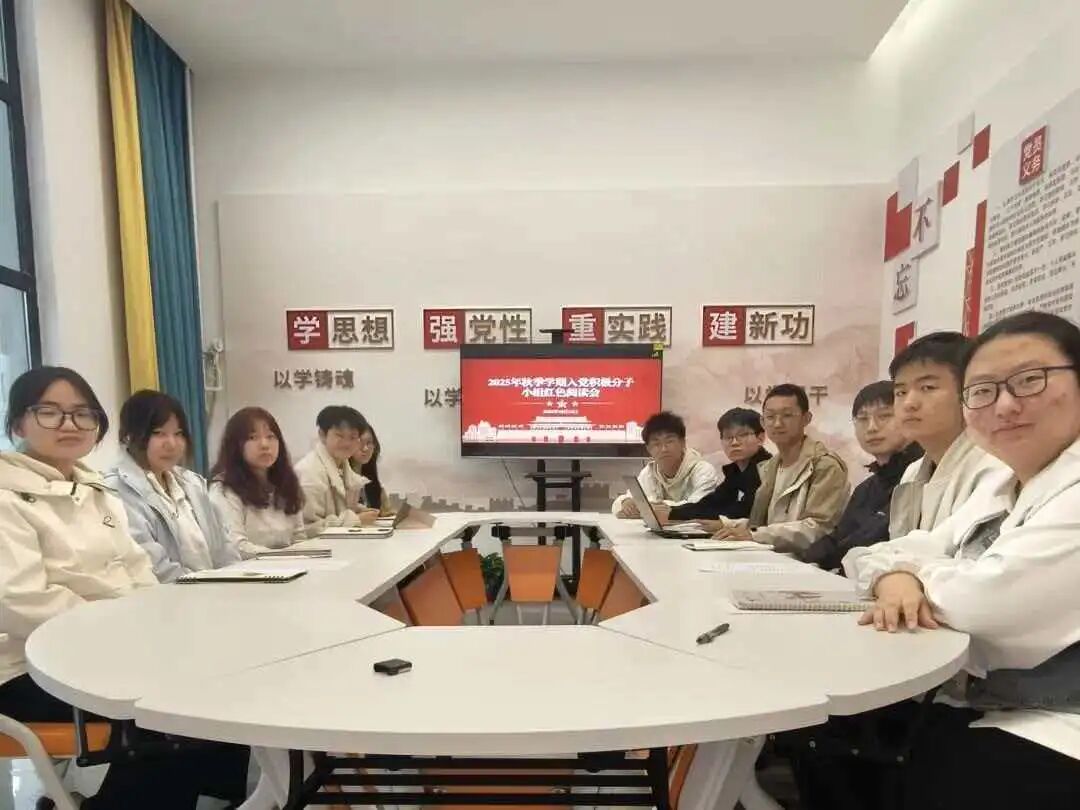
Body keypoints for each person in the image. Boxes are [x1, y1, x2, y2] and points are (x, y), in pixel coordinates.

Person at [842, 311, 1080, 809]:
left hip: (1058, 719)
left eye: (1030, 381)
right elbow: (874, 554)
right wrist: (895, 574)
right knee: (843, 734)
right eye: (985, 390)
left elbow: (985, 605)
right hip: (991, 694)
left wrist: (907, 574)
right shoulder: (1007, 481)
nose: (1006, 405)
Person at [0, 368, 247, 808]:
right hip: (29, 666)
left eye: (82, 413)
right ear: (18, 423)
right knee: (167, 715)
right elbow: (19, 600)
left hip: (109, 647)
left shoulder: (94, 489)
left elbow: (138, 570)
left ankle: (225, 796)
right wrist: (118, 632)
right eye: (50, 412)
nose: (70, 424)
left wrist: (148, 628)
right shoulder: (7, 495)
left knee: (223, 680)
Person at [106, 391, 239, 583]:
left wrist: (234, 583)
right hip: (169, 596)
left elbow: (225, 547)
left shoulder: (192, 483)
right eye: (158, 433)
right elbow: (153, 567)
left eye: (178, 434)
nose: (172, 444)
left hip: (214, 591)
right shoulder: (117, 490)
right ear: (129, 436)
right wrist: (208, 587)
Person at [886, 331, 1003, 538]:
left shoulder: (993, 467)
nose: (909, 403)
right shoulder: (913, 471)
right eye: (901, 392)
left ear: (970, 392)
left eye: (927, 388)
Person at [712, 384, 849, 555]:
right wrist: (727, 525)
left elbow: (819, 528)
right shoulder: (769, 467)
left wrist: (754, 535)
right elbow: (767, 524)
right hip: (769, 557)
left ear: (806, 418)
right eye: (770, 417)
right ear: (763, 422)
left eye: (787, 415)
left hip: (805, 563)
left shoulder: (824, 465)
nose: (777, 423)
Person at [802, 381, 923, 571]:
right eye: (863, 418)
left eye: (884, 416)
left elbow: (872, 539)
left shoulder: (922, 475)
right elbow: (838, 537)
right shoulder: (866, 488)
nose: (872, 427)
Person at [209, 407, 306, 558]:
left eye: (270, 436)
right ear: (235, 445)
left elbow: (299, 537)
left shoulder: (286, 483)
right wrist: (283, 558)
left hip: (290, 567)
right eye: (253, 438)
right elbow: (235, 547)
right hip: (249, 570)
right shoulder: (224, 490)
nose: (264, 445)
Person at [652, 407, 771, 524]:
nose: (734, 442)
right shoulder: (735, 472)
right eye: (728, 437)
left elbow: (744, 512)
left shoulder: (767, 469)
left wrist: (674, 513)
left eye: (743, 435)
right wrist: (672, 511)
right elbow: (711, 503)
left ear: (760, 438)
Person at [611, 410, 720, 518]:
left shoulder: (703, 470)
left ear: (683, 443)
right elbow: (625, 501)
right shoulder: (649, 472)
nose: (664, 449)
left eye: (669, 441)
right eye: (656, 444)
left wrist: (651, 508)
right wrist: (626, 502)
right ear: (648, 449)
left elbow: (699, 506)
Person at [296, 405, 380, 535]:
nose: (347, 443)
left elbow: (338, 509)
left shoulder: (342, 466)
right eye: (340, 436)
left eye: (352, 437)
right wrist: (355, 519)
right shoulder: (310, 472)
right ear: (322, 435)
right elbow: (307, 529)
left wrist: (360, 511)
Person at [349, 422, 395, 517]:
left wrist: (387, 513)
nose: (365, 448)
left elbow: (386, 513)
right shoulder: (339, 480)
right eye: (360, 443)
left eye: (369, 443)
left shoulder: (374, 485)